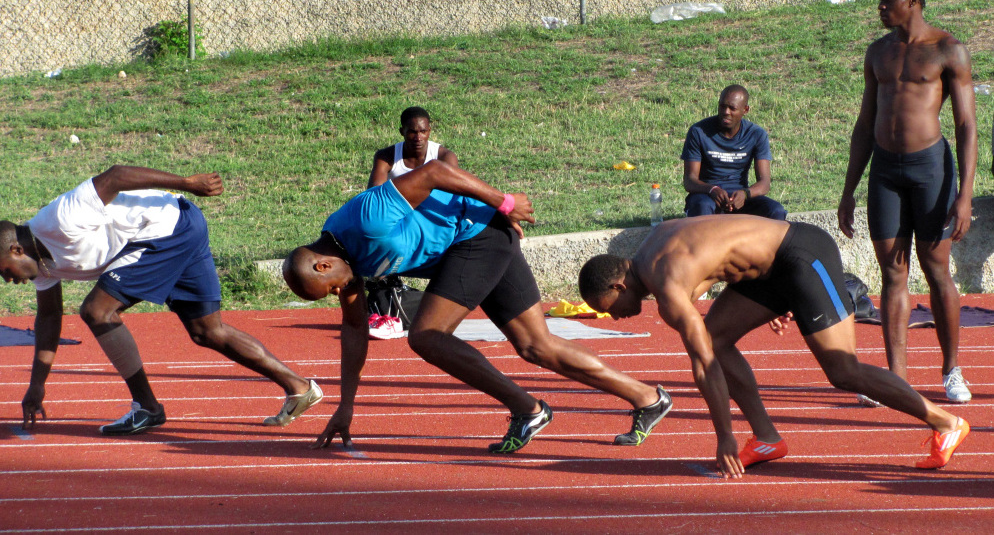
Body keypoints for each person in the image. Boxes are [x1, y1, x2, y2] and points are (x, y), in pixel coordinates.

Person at [283, 160, 671, 453]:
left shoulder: (367, 220)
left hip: (480, 235)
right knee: (537, 345)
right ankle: (648, 398)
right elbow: (354, 330)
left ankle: (528, 410)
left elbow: (435, 171)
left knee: (427, 337)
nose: (340, 293)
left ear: (323, 265)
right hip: (472, 245)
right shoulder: (345, 267)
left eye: (330, 288)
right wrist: (346, 407)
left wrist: (505, 203)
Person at [578, 215, 969, 478]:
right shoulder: (649, 250)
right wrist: (772, 300)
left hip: (802, 255)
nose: (612, 318)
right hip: (770, 271)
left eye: (606, 309)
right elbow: (724, 251)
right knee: (717, 336)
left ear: (617, 286)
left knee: (842, 371)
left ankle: (946, 423)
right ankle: (766, 438)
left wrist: (723, 436)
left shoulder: (665, 281)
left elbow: (703, 366)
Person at [0, 165, 322, 435]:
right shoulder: (41, 267)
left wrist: (187, 183)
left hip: (165, 228)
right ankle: (299, 388)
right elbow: (49, 318)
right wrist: (37, 385)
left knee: (98, 311)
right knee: (207, 331)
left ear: (16, 250)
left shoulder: (59, 219)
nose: (7, 280)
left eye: (3, 271)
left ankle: (148, 407)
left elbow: (116, 176)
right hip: (183, 225)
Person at [838, 0, 977, 404]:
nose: (880, 7)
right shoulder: (877, 52)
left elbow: (967, 125)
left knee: (936, 270)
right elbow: (864, 125)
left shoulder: (948, 50)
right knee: (892, 273)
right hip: (885, 171)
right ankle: (895, 378)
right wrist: (848, 189)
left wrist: (965, 193)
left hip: (930, 169)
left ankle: (951, 369)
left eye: (887, 0)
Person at [365, 106, 458, 339]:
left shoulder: (444, 157)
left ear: (430, 130)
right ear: (401, 131)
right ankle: (386, 308)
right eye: (412, 132)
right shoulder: (387, 156)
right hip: (401, 226)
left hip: (435, 225)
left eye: (423, 131)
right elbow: (375, 198)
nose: (418, 137)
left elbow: (454, 195)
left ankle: (440, 308)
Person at [681, 84, 787, 220]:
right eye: (722, 106)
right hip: (706, 195)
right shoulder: (699, 131)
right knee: (702, 206)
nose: (726, 112)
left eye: (732, 108)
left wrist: (745, 193)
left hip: (739, 196)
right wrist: (712, 190)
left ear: (745, 110)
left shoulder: (756, 134)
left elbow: (764, 183)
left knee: (776, 210)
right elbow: (690, 181)